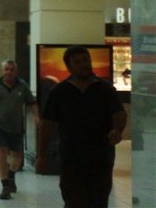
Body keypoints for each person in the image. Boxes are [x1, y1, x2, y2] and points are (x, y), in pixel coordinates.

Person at [37, 46, 127, 208]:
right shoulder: (60, 91)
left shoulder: (104, 89)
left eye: (86, 60)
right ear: (69, 67)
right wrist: (42, 155)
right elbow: (47, 124)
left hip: (101, 157)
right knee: (74, 200)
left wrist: (117, 130)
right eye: (77, 62)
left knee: (99, 201)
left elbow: (119, 114)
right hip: (71, 158)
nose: (83, 64)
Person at [0, 60, 39, 200]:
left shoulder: (22, 86)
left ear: (16, 71)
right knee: (2, 154)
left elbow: (32, 102)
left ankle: (12, 174)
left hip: (16, 126)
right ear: (2, 71)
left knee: (17, 158)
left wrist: (37, 117)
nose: (9, 72)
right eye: (6, 69)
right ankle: (5, 186)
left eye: (12, 69)